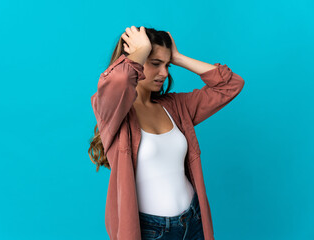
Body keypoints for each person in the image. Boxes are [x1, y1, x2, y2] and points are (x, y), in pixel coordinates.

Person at [88, 26, 245, 240]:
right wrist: (141, 49)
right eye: (155, 63)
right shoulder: (114, 114)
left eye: (167, 65)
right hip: (151, 230)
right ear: (136, 57)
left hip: (193, 220)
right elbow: (118, 81)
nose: (164, 73)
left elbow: (231, 85)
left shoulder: (176, 107)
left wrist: (178, 58)